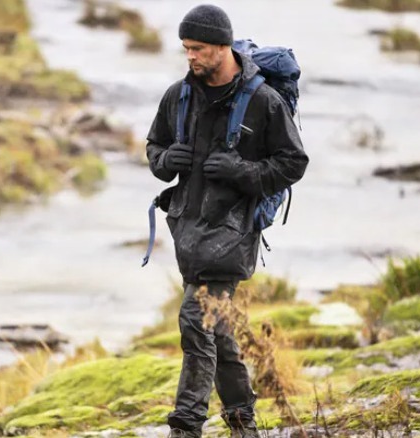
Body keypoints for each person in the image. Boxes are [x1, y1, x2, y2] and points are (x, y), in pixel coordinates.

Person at [145, 4, 309, 437]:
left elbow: (293, 163)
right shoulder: (178, 95)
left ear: (222, 46)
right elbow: (153, 147)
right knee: (216, 332)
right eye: (185, 49)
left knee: (195, 323)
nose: (190, 57)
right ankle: (242, 422)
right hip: (187, 231)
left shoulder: (264, 101)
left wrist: (242, 173)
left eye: (197, 49)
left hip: (233, 234)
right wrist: (165, 160)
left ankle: (185, 426)